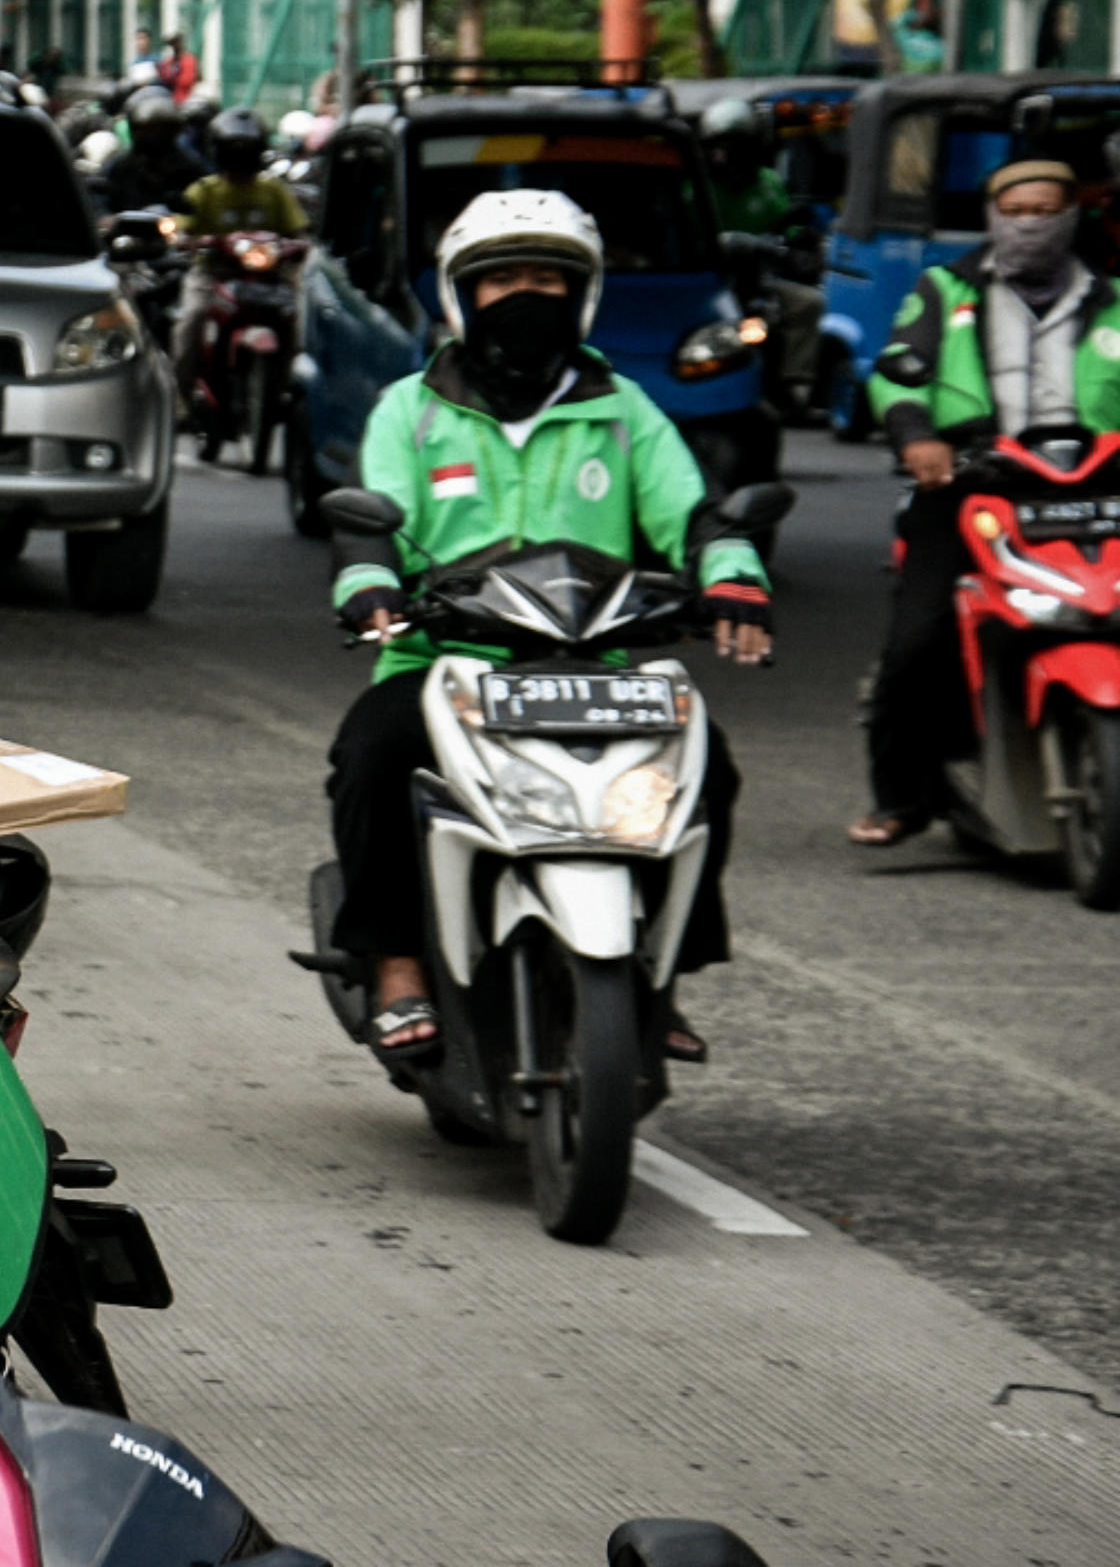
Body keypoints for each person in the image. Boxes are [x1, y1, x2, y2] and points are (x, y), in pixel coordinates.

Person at [326, 190, 771, 1062]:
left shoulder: (625, 410)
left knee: (708, 764)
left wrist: (733, 579)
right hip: (446, 659)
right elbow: (371, 519)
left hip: (593, 668)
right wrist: (370, 585)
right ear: (463, 295)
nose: (525, 296)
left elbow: (698, 516)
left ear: (583, 294)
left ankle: (661, 974)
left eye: (545, 278)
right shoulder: (408, 409)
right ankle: (395, 964)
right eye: (502, 280)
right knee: (371, 758)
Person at [851, 159, 1120, 845]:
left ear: (1072, 216)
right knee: (919, 638)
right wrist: (918, 440)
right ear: (995, 216)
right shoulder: (946, 290)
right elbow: (896, 372)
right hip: (972, 486)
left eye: (1046, 210)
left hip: (1096, 484)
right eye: (1017, 210)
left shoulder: (1112, 297)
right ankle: (903, 796)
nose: (1031, 224)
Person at [699, 96, 828, 423]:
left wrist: (799, 234)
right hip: (709, 281)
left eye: (737, 146)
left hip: (758, 279)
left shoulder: (768, 183)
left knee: (809, 303)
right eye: (720, 146)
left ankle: (796, 388)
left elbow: (784, 223)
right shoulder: (697, 186)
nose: (727, 156)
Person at [169, 105, 308, 403]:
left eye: (248, 151)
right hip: (212, 275)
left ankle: (286, 388)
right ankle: (180, 400)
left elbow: (300, 232)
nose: (241, 159)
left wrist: (300, 247)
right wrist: (188, 240)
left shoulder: (274, 191)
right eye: (235, 151)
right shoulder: (205, 191)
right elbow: (181, 228)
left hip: (267, 280)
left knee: (299, 323)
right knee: (189, 322)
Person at [97, 85, 207, 214]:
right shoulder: (120, 166)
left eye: (164, 128)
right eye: (149, 129)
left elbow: (207, 197)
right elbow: (101, 201)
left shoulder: (189, 163)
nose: (157, 135)